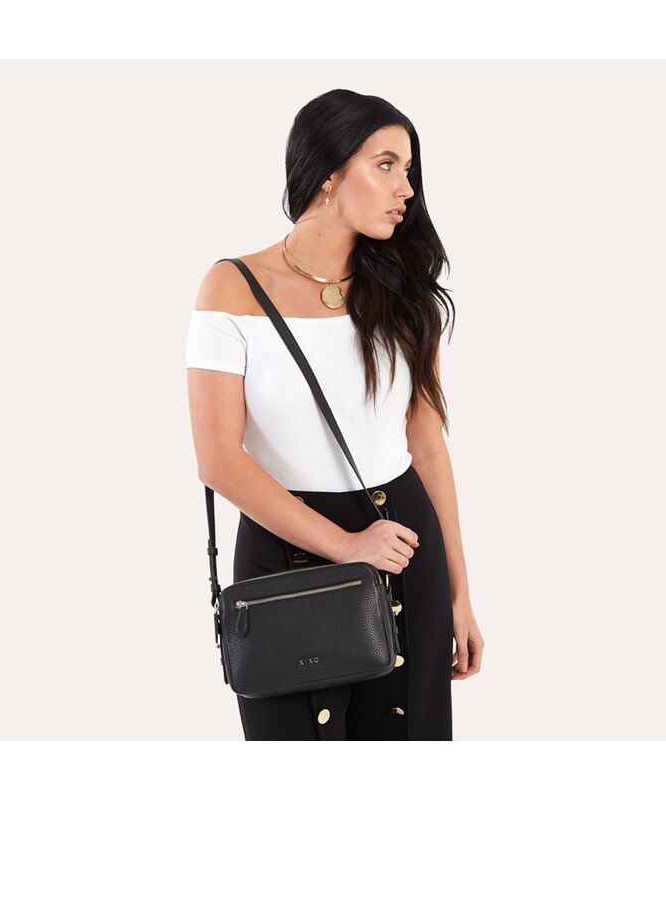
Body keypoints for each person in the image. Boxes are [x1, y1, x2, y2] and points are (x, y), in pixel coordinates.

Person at [185, 88, 484, 740]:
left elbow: (427, 444)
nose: (406, 188)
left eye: (409, 168)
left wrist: (459, 593)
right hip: (284, 558)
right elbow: (218, 459)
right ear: (327, 172)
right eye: (386, 164)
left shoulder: (405, 293)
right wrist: (348, 547)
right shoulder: (232, 288)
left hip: (404, 550)